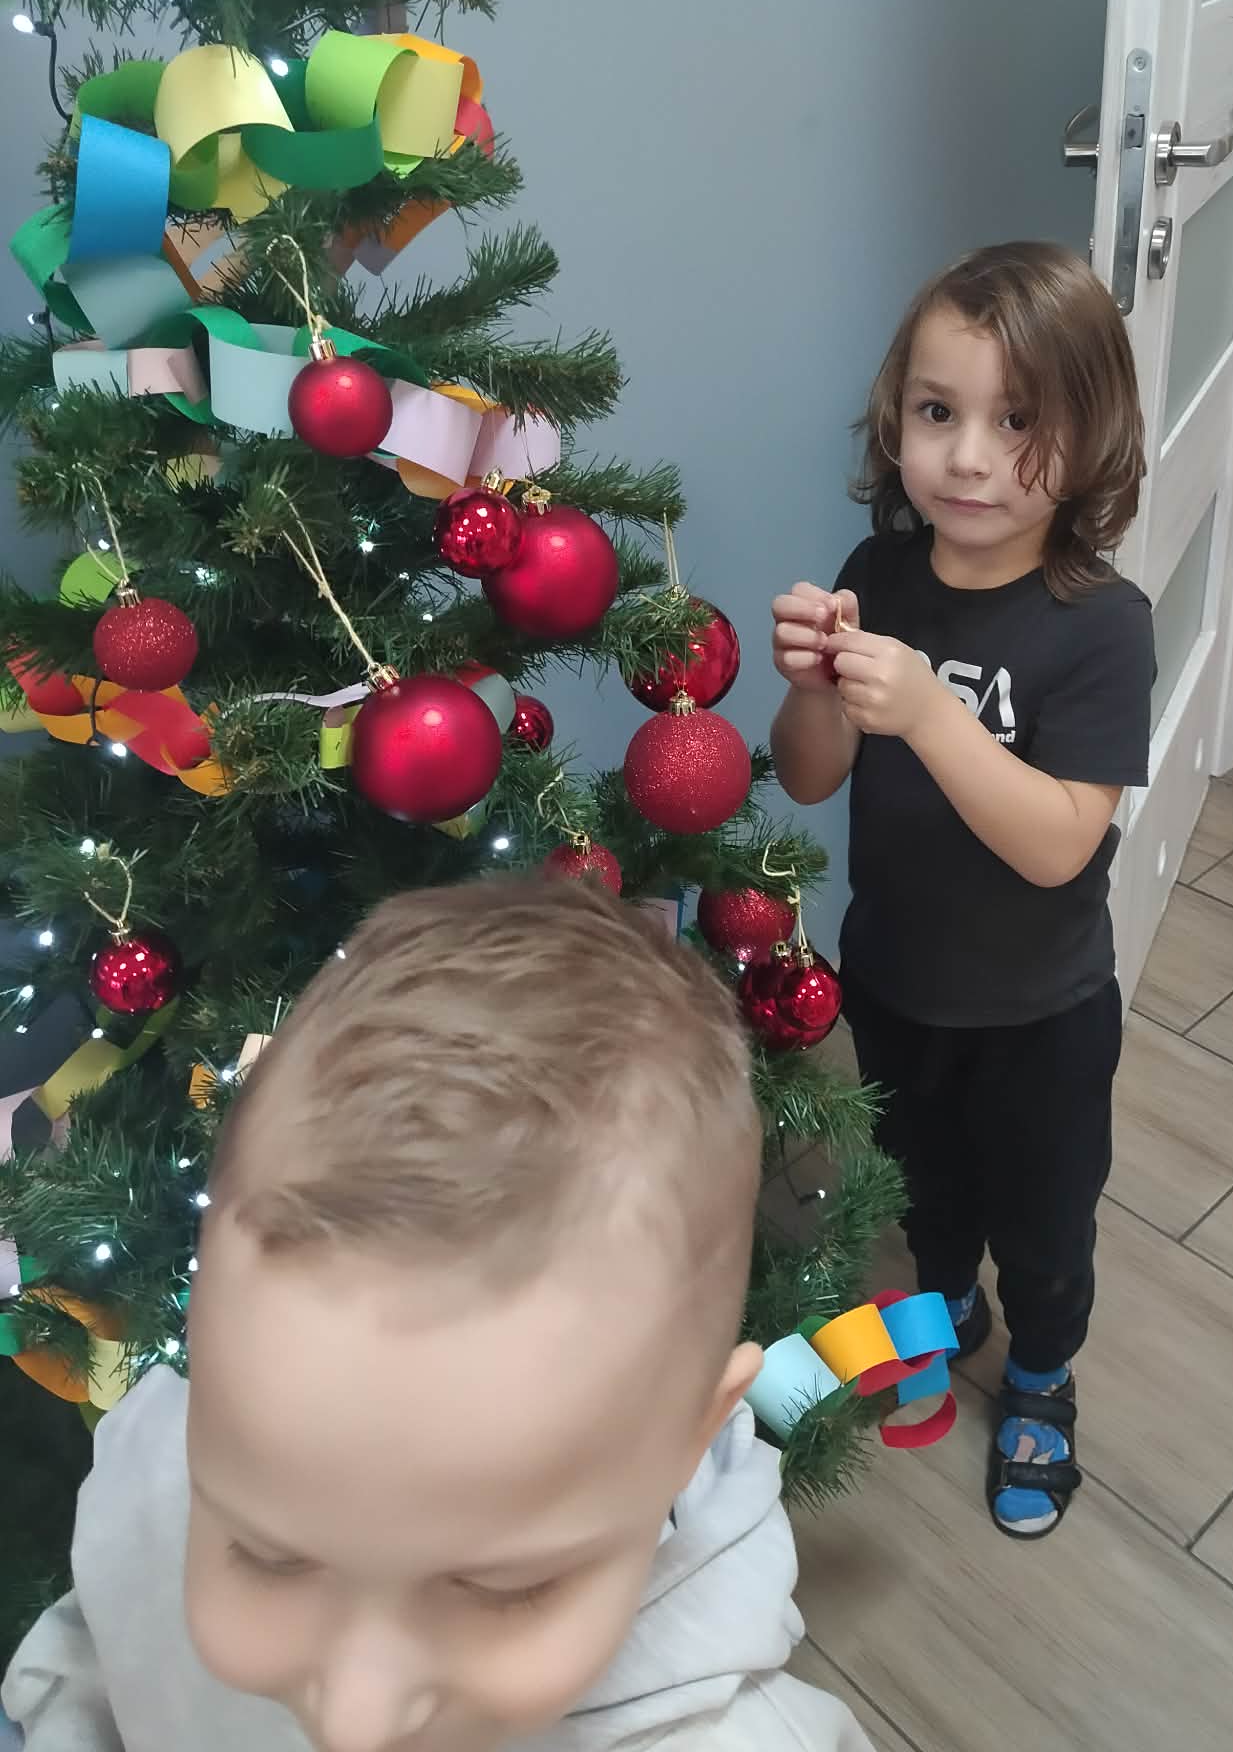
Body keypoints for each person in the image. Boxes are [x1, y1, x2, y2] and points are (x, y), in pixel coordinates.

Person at [3, 878, 872, 1751]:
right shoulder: (153, 1479)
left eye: (504, 1590)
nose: (356, 1723)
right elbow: (86, 1656)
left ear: (694, 1434)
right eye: (268, 1557)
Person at [770, 241, 1153, 1541]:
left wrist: (931, 710)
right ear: (899, 420)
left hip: (1044, 1010)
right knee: (923, 1188)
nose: (971, 457)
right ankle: (944, 1310)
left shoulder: (1101, 623)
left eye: (1019, 421)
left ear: (1090, 437)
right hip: (894, 979)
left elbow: (1059, 846)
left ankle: (1041, 1372)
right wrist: (814, 688)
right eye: (939, 412)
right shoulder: (878, 576)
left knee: (1044, 1219)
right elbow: (809, 775)